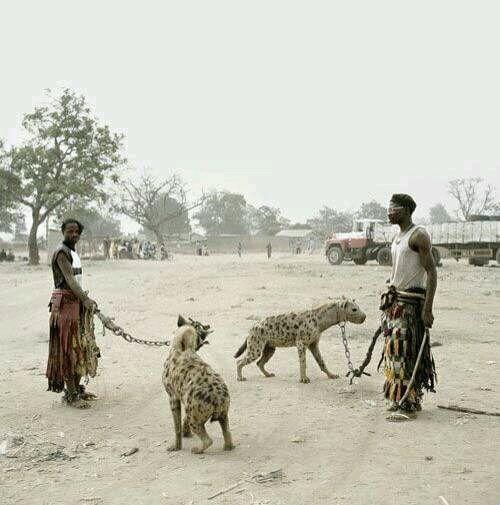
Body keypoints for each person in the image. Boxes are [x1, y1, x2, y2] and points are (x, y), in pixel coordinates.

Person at [381, 194, 437, 421]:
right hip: (395, 304)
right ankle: (402, 399)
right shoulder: (398, 237)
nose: (388, 211)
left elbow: (432, 272)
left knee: (405, 352)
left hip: (411, 305)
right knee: (394, 353)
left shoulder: (419, 235)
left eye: (393, 208)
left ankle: (408, 402)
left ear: (405, 210)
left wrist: (428, 309)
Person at [46, 219, 100, 409]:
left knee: (79, 348)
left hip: (75, 303)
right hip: (65, 305)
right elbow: (69, 280)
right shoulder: (62, 253)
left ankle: (76, 389)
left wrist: (83, 301)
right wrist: (85, 299)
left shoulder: (73, 252)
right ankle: (70, 394)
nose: (74, 235)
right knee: (69, 349)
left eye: (77, 232)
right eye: (70, 231)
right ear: (63, 232)